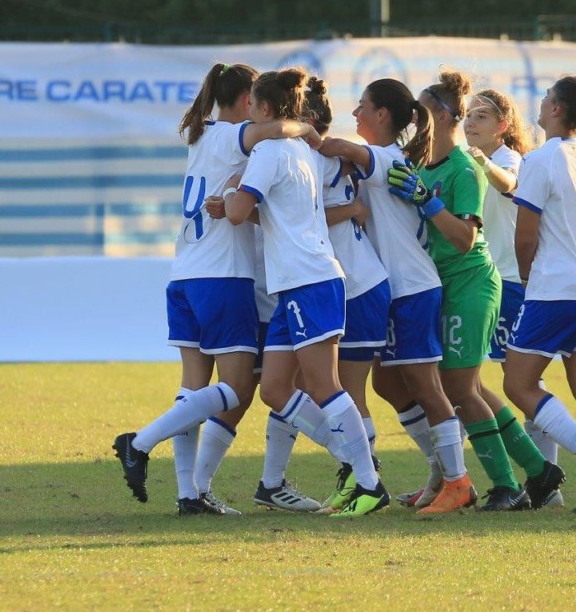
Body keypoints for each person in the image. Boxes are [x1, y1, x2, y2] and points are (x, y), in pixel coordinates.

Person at [112, 62, 319, 515]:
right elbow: (276, 130)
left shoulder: (201, 136)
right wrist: (307, 127)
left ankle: (189, 495)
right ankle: (139, 442)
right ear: (248, 100)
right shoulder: (231, 135)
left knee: (192, 390)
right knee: (239, 388)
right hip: (222, 276)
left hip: (185, 274)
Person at [387, 69, 562, 511]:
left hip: (470, 281)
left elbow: (464, 239)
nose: (414, 119)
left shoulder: (465, 168)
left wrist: (427, 200)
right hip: (441, 284)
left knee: (460, 387)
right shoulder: (422, 162)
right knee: (470, 388)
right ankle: (539, 471)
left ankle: (507, 485)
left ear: (445, 117)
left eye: (421, 111)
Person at [220, 67, 388, 518]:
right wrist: (238, 204)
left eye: (253, 105)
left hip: (309, 280)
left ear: (267, 109)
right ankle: (355, 462)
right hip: (294, 282)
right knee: (275, 389)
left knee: (324, 385)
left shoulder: (272, 151)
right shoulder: (297, 150)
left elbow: (238, 213)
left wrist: (226, 195)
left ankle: (368, 481)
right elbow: (271, 217)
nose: (248, 113)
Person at [317, 78, 476, 515]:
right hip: (395, 289)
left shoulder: (386, 157)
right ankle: (440, 471)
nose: (355, 114)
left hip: (413, 287)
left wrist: (303, 136)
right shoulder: (391, 159)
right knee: (388, 382)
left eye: (362, 106)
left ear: (382, 115)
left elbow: (350, 151)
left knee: (427, 386)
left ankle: (458, 481)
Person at [502, 75, 576, 512]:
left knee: (518, 383)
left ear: (556, 109)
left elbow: (525, 235)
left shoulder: (540, 159)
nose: (541, 100)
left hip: (555, 287)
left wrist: (528, 278)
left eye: (547, 96)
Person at [462, 87, 564, 507]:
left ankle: (546, 485)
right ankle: (457, 478)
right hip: (475, 282)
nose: (471, 122)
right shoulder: (463, 161)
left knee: (521, 384)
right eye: (468, 114)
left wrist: (483, 162)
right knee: (462, 386)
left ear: (503, 126)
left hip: (508, 284)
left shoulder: (507, 159)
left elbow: (510, 185)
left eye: (482, 116)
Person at [307, 77, 391, 514]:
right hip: (356, 282)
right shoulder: (329, 155)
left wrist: (349, 211)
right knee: (324, 386)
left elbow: (305, 216)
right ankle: (356, 478)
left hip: (358, 285)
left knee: (348, 391)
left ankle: (365, 484)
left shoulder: (320, 158)